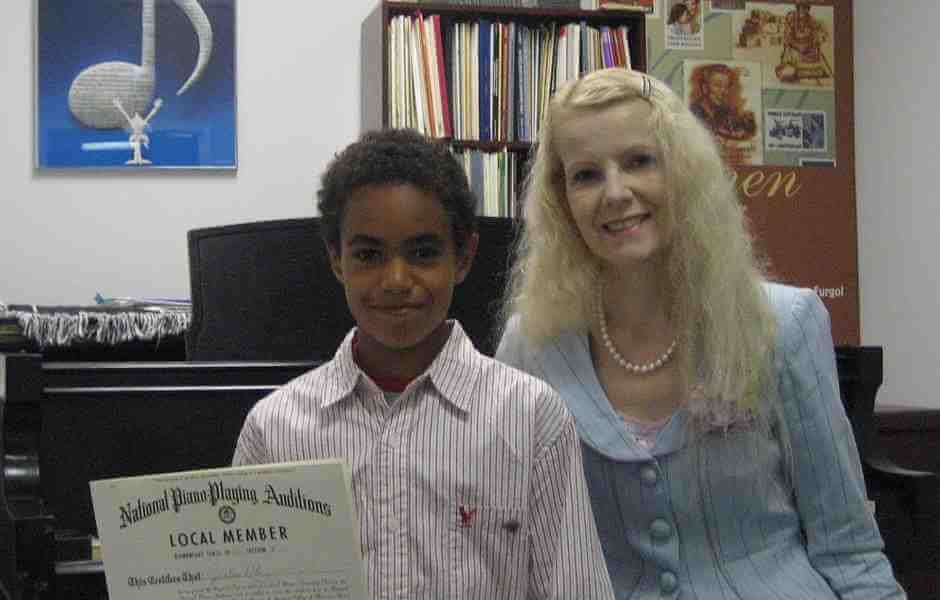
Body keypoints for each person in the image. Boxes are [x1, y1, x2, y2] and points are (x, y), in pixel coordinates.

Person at [496, 68, 906, 598]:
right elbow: (511, 549)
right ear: (561, 200)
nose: (615, 193)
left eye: (639, 161)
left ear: (684, 171)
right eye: (586, 175)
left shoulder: (784, 325)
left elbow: (848, 547)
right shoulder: (531, 347)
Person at [232, 128, 615, 599]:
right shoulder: (274, 430)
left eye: (423, 253)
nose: (396, 279)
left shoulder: (533, 417)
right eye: (369, 255)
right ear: (336, 259)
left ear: (463, 256)